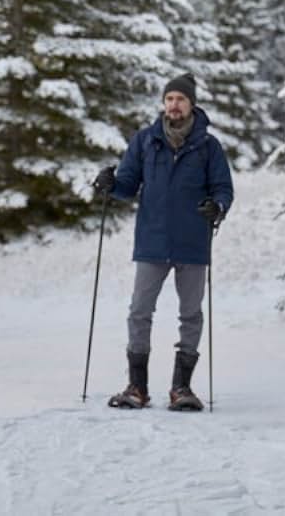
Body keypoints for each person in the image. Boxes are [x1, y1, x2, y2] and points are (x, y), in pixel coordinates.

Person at [92, 73, 233, 411]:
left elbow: (223, 189)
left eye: (180, 99)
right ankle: (136, 387)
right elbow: (127, 184)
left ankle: (181, 388)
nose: (174, 105)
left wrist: (218, 207)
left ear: (191, 103)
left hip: (193, 242)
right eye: (169, 99)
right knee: (139, 312)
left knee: (191, 314)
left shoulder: (209, 146)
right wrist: (109, 185)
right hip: (152, 241)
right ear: (163, 103)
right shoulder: (145, 141)